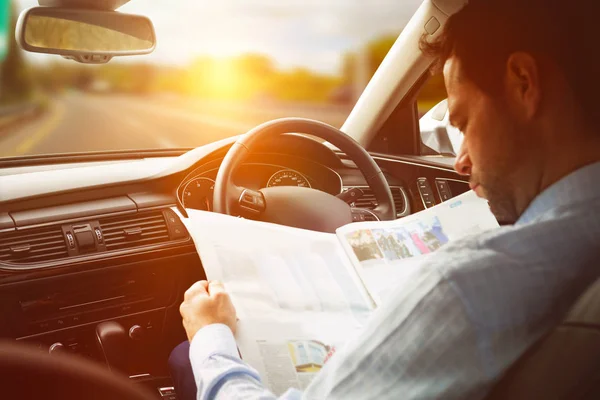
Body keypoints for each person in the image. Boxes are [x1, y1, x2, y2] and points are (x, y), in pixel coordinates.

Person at [170, 0, 600, 398]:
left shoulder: (468, 284)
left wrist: (210, 338)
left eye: (464, 123)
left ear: (524, 83)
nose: (460, 163)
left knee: (183, 357)